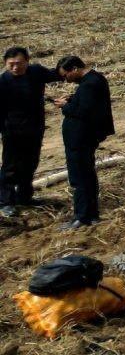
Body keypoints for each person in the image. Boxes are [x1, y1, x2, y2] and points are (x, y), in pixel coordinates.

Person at [55, 56, 114, 230]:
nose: (66, 80)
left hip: (81, 138)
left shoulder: (89, 84)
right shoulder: (94, 79)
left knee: (79, 178)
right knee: (87, 176)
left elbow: (83, 111)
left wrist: (65, 106)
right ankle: (91, 215)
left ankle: (82, 217)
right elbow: (88, 103)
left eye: (66, 76)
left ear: (74, 69)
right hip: (85, 137)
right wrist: (73, 98)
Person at [1, 47, 58, 219]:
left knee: (30, 164)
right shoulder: (3, 82)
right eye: (11, 64)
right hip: (13, 131)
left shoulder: (36, 72)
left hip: (35, 129)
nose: (15, 68)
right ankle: (6, 202)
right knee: (10, 168)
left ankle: (25, 198)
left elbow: (57, 74)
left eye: (18, 63)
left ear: (27, 61)